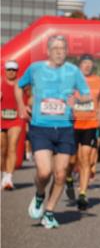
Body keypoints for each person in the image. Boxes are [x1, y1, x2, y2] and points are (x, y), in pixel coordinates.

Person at [14, 35, 92, 229]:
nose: (59, 51)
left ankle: (49, 212)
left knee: (59, 175)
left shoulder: (73, 71)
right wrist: (21, 107)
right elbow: (18, 86)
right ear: (48, 51)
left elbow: (87, 94)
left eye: (62, 48)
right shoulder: (35, 69)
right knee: (44, 171)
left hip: (65, 128)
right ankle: (40, 194)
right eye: (55, 48)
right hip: (41, 127)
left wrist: (78, 100)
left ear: (66, 52)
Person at [66, 55, 100, 210]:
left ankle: (82, 194)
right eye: (84, 63)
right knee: (71, 159)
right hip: (73, 124)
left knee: (86, 159)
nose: (87, 66)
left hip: (90, 124)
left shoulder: (99, 81)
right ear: (79, 65)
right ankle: (68, 177)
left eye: (90, 64)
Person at [2, 60, 25, 190]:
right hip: (1, 118)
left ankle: (9, 179)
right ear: (5, 70)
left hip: (16, 118)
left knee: (12, 145)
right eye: (9, 69)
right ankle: (4, 173)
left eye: (14, 70)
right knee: (1, 149)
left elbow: (31, 97)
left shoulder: (22, 84)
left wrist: (29, 105)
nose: (11, 72)